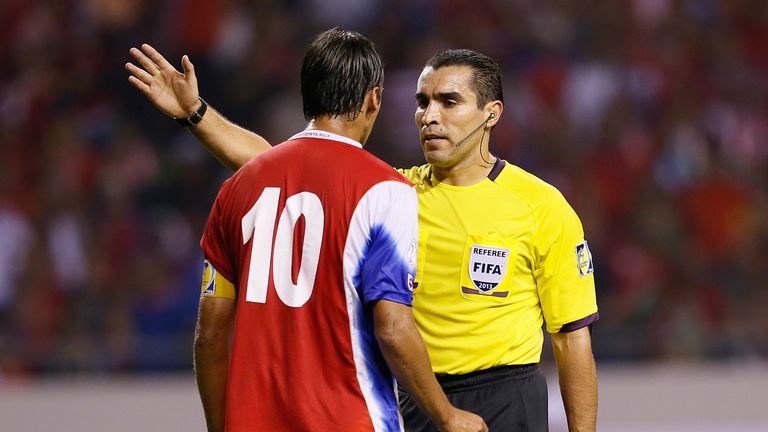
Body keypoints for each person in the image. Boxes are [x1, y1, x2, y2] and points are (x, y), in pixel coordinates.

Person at [127, 40, 598, 431]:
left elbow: (572, 341)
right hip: (415, 393)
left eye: (448, 102)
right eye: (422, 102)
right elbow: (285, 165)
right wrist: (196, 114)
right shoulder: (395, 192)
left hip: (504, 398)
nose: (429, 115)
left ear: (491, 114)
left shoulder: (540, 206)